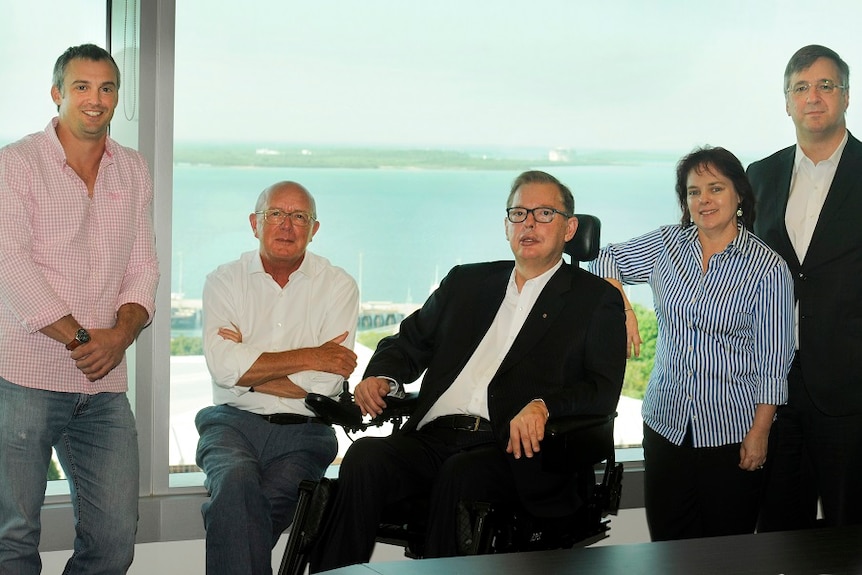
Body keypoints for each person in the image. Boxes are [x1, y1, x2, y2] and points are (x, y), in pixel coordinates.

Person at [308, 170, 626, 573]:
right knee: (367, 456)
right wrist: (383, 377)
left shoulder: (594, 300)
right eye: (519, 213)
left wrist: (545, 406)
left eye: (544, 213)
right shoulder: (467, 283)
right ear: (506, 225)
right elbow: (407, 341)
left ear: (569, 228)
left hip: (514, 451)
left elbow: (601, 389)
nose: (528, 223)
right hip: (435, 438)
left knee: (462, 474)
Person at [0, 44, 160, 573]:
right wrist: (85, 340)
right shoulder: (14, 164)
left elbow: (143, 267)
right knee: (13, 538)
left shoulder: (133, 169)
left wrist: (121, 335)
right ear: (57, 94)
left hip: (103, 387)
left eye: (107, 88)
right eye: (82, 87)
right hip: (22, 377)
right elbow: (11, 267)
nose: (96, 100)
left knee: (115, 540)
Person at [589, 146, 794, 541]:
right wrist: (623, 307)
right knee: (668, 546)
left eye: (715, 188)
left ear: (739, 196)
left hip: (731, 433)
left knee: (725, 551)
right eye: (693, 191)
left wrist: (760, 433)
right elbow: (604, 258)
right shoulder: (667, 244)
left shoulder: (768, 269)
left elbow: (774, 362)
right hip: (666, 425)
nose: (704, 200)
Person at [195, 181, 359, 575]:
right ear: (255, 223)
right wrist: (312, 356)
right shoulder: (224, 281)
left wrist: (246, 370)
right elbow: (222, 367)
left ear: (314, 229)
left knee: (236, 514)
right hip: (231, 424)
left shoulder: (338, 287)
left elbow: (324, 387)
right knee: (235, 483)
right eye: (276, 214)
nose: (287, 225)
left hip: (304, 433)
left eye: (299, 216)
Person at [747, 44, 862, 531]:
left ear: (846, 96)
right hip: (771, 391)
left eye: (825, 86)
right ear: (787, 101)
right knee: (775, 534)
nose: (812, 97)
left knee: (849, 533)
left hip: (850, 392)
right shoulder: (758, 176)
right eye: (801, 88)